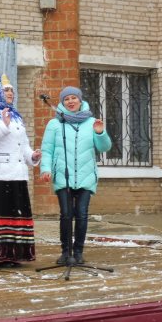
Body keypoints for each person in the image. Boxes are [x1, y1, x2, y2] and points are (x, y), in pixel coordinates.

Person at [40, 85, 112, 265]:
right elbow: (47, 150)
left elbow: (104, 148)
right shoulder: (55, 123)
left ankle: (78, 252)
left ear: (80, 100)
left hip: (86, 176)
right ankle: (66, 252)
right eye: (66, 99)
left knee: (81, 214)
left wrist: (100, 133)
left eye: (74, 98)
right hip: (63, 176)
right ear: (62, 102)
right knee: (66, 214)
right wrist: (46, 169)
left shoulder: (92, 122)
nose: (70, 101)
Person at [0, 75, 41, 267]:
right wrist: (3, 126)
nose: (10, 93)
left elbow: (23, 145)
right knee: (0, 216)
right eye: (6, 90)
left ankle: (14, 254)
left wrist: (32, 156)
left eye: (11, 90)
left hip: (17, 175)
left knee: (15, 217)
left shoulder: (16, 115)